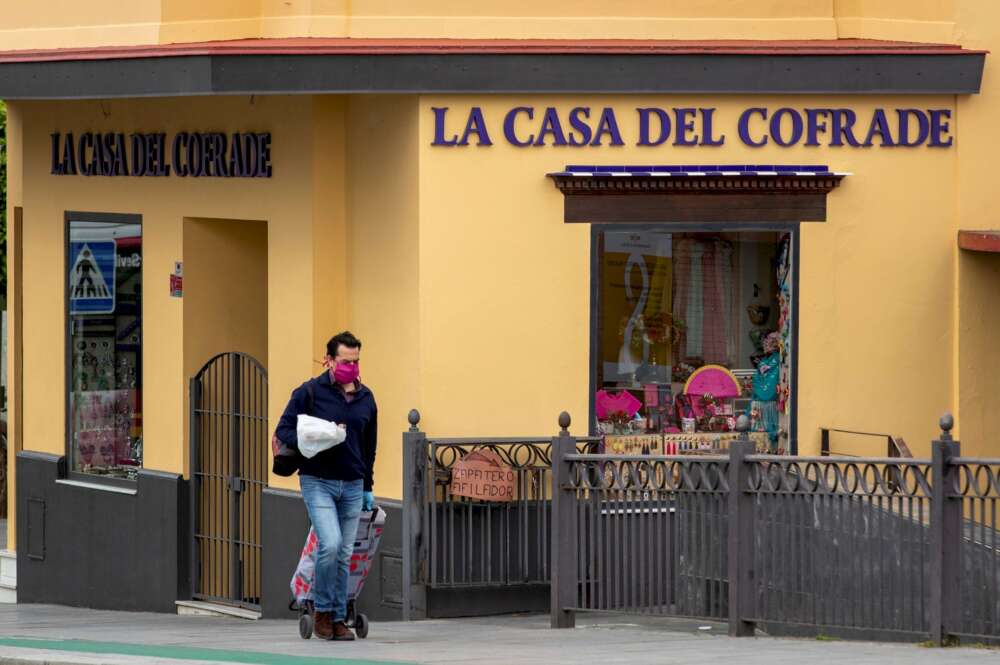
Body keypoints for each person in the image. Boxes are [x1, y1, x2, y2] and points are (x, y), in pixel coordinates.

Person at [276, 331, 377, 641]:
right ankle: (322, 613)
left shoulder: (366, 398)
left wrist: (366, 486)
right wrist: (316, 437)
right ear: (329, 360)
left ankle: (337, 618)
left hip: (352, 482)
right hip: (317, 480)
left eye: (356, 361)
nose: (352, 366)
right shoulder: (309, 393)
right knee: (330, 544)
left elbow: (369, 444)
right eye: (346, 361)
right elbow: (284, 431)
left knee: (345, 552)